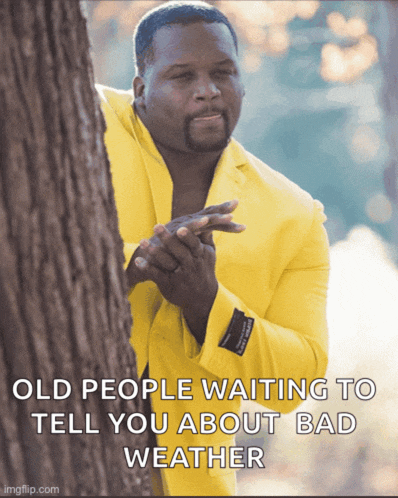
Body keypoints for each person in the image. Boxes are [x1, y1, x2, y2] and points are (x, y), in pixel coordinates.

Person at [97, 1, 329, 495]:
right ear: (141, 88)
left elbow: (298, 376)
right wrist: (134, 262)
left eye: (223, 72)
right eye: (182, 76)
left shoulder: (295, 214)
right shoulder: (79, 119)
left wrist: (210, 309)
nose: (207, 90)